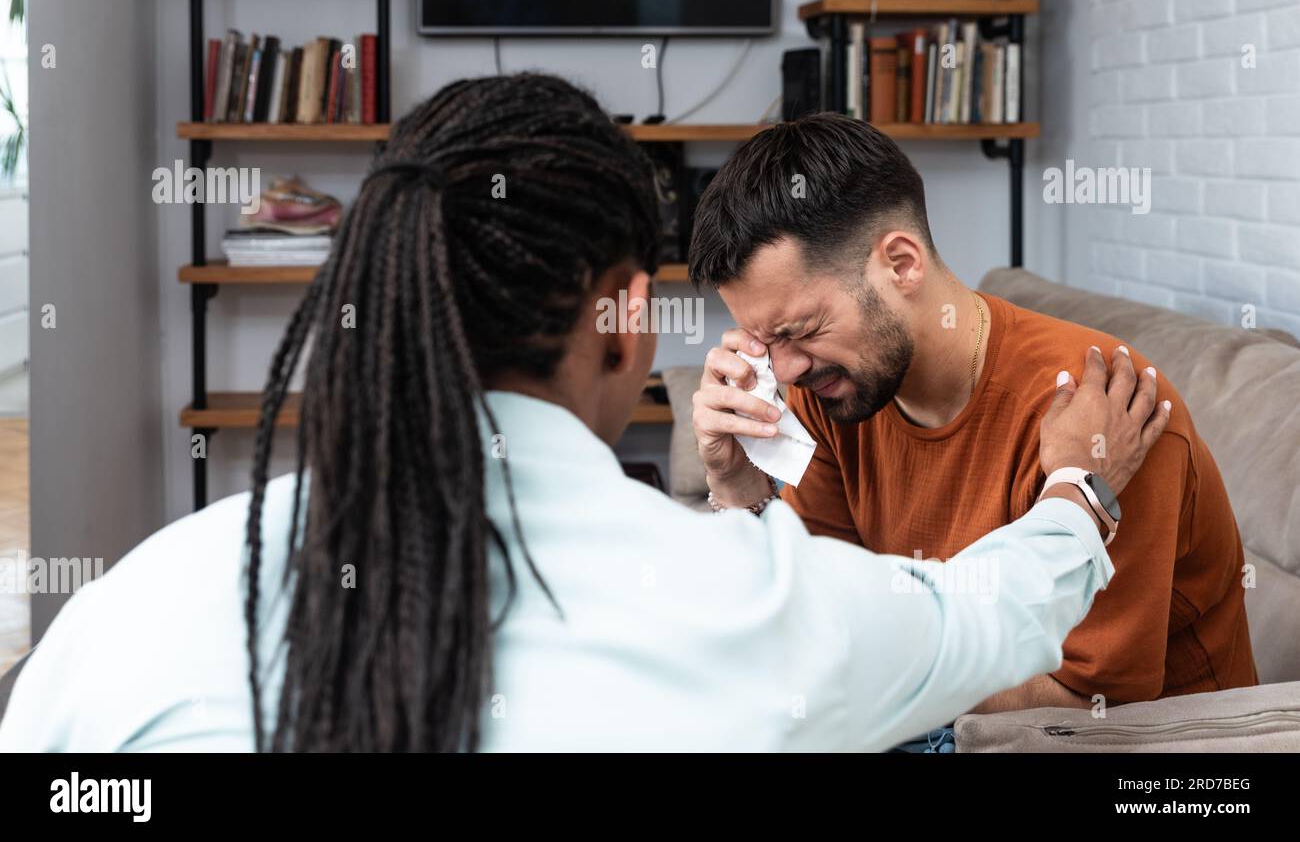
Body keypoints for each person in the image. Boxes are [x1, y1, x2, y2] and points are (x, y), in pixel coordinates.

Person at [0, 76, 1170, 753]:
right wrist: (1076, 489)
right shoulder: (741, 611)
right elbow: (970, 617)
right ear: (622, 320)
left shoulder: (129, 608)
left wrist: (740, 495)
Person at [688, 113, 1257, 714]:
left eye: (800, 330)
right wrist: (736, 483)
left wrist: (848, 650)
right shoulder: (837, 389)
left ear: (902, 264)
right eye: (760, 339)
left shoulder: (1105, 419)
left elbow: (1080, 708)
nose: (787, 368)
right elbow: (818, 609)